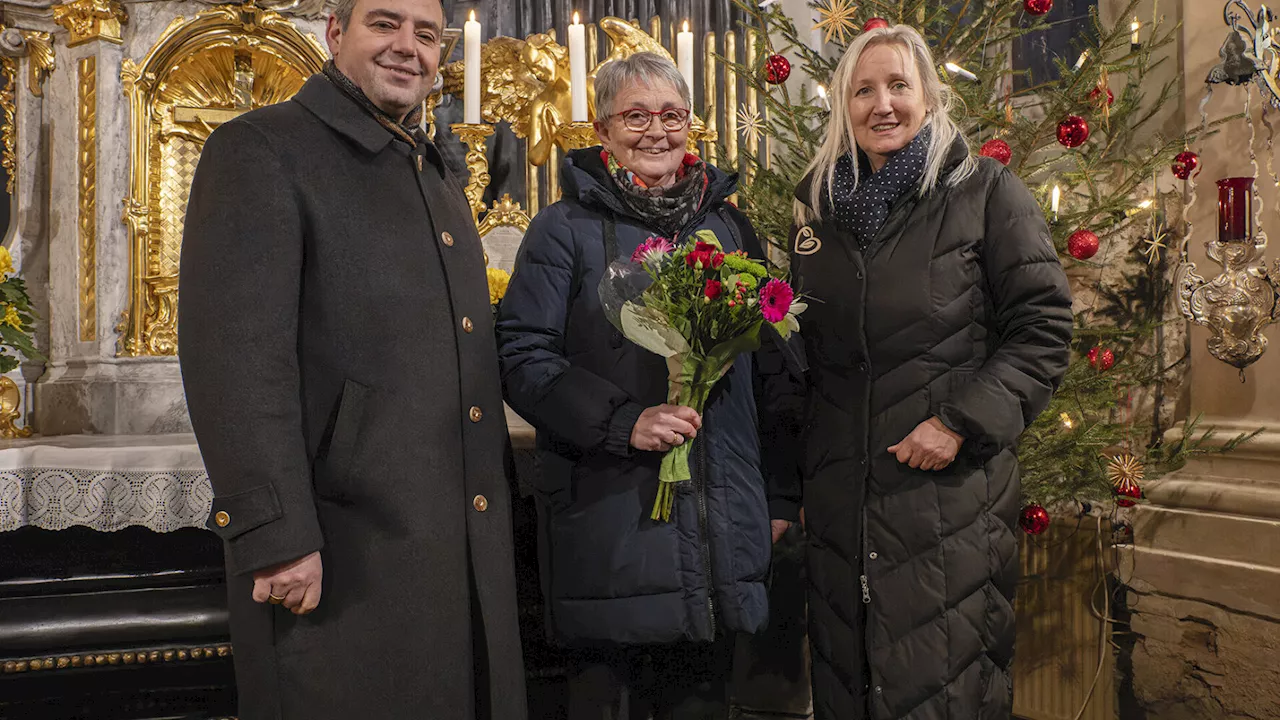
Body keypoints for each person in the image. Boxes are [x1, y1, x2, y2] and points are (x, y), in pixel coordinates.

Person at [177, 0, 525, 716]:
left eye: (426, 34)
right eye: (384, 24)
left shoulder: (430, 170)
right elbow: (236, 358)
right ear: (334, 34)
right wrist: (274, 535)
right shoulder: (262, 148)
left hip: (446, 539)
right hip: (340, 547)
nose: (408, 47)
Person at [779, 24, 1073, 719]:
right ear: (843, 106)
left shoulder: (986, 193)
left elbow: (1044, 330)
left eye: (898, 86)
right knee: (849, 684)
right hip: (839, 510)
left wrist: (958, 423)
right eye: (863, 90)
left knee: (941, 691)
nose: (882, 105)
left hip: (947, 501)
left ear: (930, 96)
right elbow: (804, 363)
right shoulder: (815, 215)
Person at [495, 52, 797, 719]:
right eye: (635, 115)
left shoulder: (729, 226)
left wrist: (778, 498)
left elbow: (772, 376)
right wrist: (623, 419)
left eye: (672, 114)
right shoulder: (562, 231)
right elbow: (520, 355)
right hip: (613, 534)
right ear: (602, 128)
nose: (656, 130)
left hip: (719, 542)